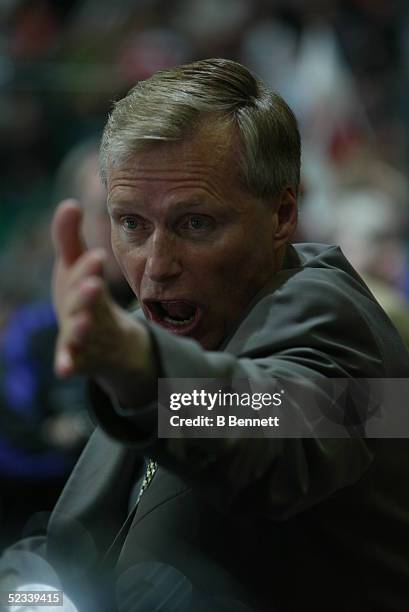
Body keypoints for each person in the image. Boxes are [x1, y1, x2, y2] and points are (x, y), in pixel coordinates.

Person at [1, 58, 409, 612]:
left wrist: (135, 367)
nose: (157, 264)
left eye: (195, 223)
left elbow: (271, 436)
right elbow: (78, 551)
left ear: (282, 214)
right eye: (131, 224)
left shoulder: (339, 322)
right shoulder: (173, 347)